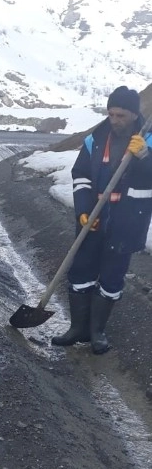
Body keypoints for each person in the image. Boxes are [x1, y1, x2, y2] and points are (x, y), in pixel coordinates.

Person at [51, 85, 152, 354]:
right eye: (111, 114)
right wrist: (83, 209)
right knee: (81, 269)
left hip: (128, 219)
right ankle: (77, 329)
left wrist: (145, 157)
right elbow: (81, 173)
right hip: (94, 215)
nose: (115, 120)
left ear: (134, 114)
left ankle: (97, 332)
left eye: (121, 115)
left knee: (111, 275)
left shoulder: (147, 140)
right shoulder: (95, 139)